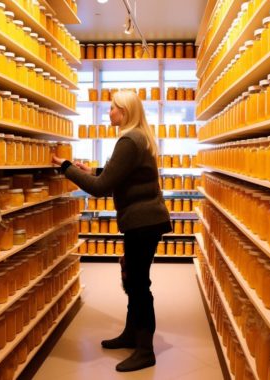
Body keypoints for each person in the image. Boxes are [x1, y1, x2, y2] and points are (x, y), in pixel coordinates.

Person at [52, 90, 171, 372]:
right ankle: (132, 334)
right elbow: (118, 175)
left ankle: (145, 350)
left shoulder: (129, 140)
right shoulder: (137, 137)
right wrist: (92, 169)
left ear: (125, 112)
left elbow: (100, 188)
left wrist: (68, 168)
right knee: (133, 279)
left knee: (139, 285)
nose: (109, 112)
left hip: (143, 223)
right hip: (144, 221)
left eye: (113, 108)